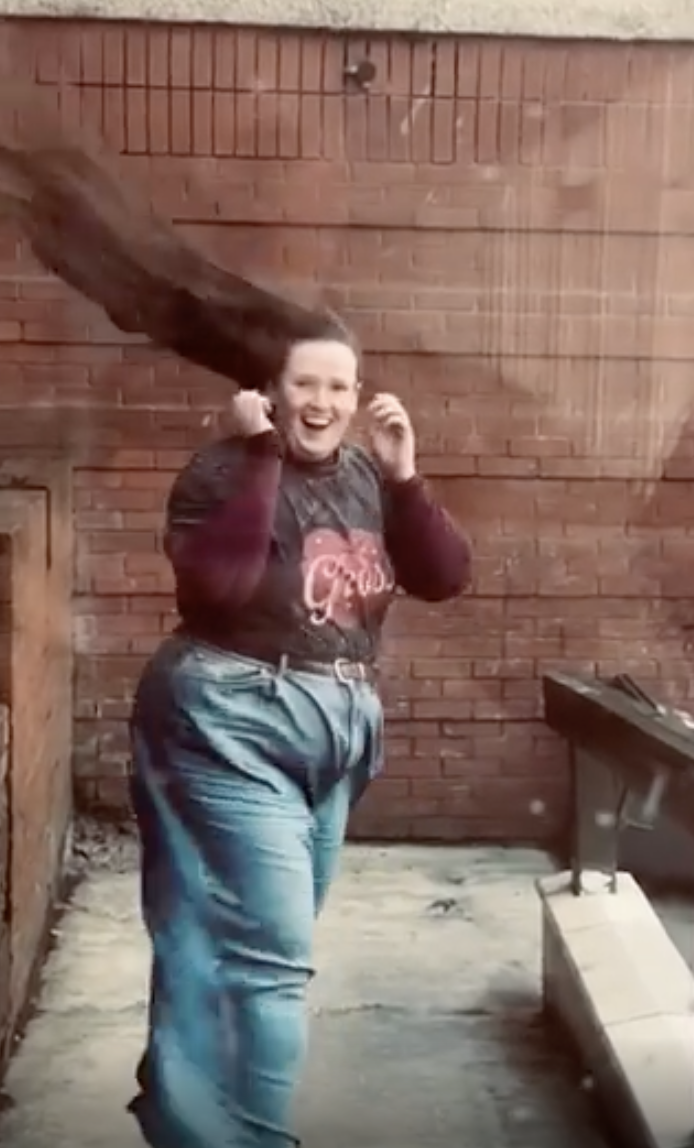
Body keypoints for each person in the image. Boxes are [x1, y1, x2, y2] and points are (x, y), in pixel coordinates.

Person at [127, 316, 472, 1148]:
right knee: (269, 961)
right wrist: (258, 456)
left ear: (358, 396)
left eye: (339, 386)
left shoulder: (365, 476)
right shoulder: (220, 470)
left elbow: (444, 576)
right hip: (229, 719)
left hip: (334, 733)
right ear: (269, 393)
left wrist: (405, 478)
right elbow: (220, 587)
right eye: (304, 383)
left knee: (235, 945)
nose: (322, 402)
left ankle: (185, 1115)